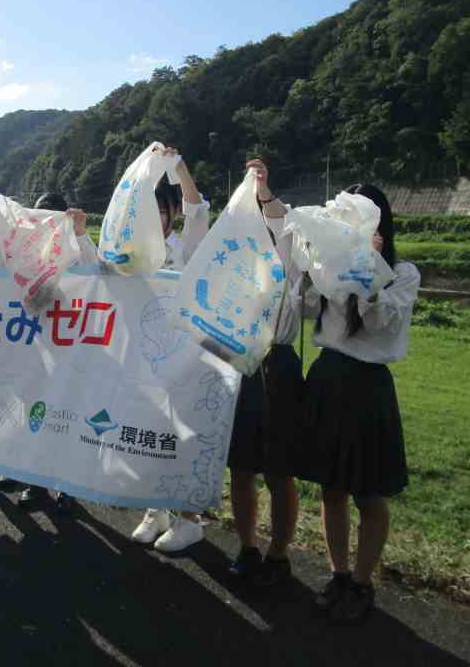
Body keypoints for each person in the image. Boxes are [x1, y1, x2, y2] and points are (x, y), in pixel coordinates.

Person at [293, 184, 420, 621]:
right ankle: (339, 574)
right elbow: (308, 309)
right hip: (329, 376)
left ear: (380, 222)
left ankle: (363, 583)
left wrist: (369, 265)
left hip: (367, 385)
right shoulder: (333, 268)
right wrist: (310, 266)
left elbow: (383, 321)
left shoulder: (403, 272)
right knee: (331, 490)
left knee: (368, 494)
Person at [225, 157, 306, 586]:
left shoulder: (287, 231)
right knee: (240, 466)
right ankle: (248, 546)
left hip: (278, 359)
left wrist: (263, 191)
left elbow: (280, 216)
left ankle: (279, 553)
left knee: (279, 470)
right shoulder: (231, 244)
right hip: (241, 360)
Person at [130, 148, 211, 553]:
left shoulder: (187, 246)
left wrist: (178, 167)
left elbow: (197, 208)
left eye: (161, 212)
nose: (155, 221)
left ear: (170, 214)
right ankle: (155, 509)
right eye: (147, 213)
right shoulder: (133, 255)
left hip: (185, 359)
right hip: (147, 360)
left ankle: (189, 519)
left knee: (183, 439)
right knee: (151, 435)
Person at [16, 191, 96, 514]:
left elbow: (100, 274)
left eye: (53, 215)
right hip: (36, 349)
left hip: (73, 351)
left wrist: (80, 234)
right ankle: (35, 484)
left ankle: (68, 486)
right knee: (35, 416)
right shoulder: (26, 253)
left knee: (67, 418)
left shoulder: (78, 249)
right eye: (40, 216)